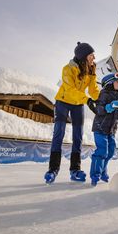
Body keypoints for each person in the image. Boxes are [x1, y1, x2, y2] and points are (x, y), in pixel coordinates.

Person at [44, 42, 100, 184]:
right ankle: (53, 169)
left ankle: (75, 170)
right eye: (91, 55)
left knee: (78, 136)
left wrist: (100, 100)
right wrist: (87, 101)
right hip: (63, 102)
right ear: (83, 56)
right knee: (59, 133)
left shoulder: (91, 69)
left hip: (78, 104)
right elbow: (69, 90)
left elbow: (93, 89)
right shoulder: (68, 69)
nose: (94, 57)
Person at [90, 73, 118, 186]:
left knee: (110, 152)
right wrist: (107, 107)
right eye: (117, 81)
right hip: (100, 127)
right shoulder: (104, 94)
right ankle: (95, 174)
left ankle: (102, 170)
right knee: (102, 151)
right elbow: (98, 109)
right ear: (110, 83)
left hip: (111, 130)